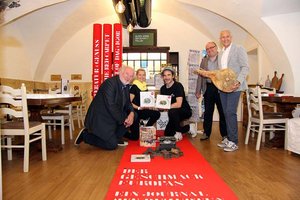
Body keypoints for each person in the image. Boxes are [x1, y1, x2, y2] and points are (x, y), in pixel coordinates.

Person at [74, 65, 136, 150]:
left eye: (131, 76)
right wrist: (124, 119)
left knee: (134, 115)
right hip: (101, 118)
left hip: (113, 116)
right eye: (127, 74)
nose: (129, 77)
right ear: (120, 73)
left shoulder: (126, 86)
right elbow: (111, 106)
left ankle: (116, 137)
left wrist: (131, 114)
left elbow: (128, 103)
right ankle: (86, 135)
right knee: (111, 145)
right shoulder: (110, 83)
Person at [218, 30, 249, 152]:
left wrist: (238, 82)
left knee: (230, 112)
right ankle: (228, 139)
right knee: (225, 113)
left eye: (227, 36)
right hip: (224, 88)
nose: (225, 39)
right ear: (220, 39)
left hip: (235, 87)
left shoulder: (238, 48)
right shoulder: (221, 53)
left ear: (231, 37)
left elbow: (245, 67)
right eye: (222, 37)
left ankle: (234, 141)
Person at [195, 42, 228, 142]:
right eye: (207, 49)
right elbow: (200, 76)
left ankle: (225, 134)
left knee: (222, 112)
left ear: (216, 48)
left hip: (221, 88)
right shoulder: (204, 60)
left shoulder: (223, 58)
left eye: (211, 48)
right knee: (208, 112)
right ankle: (206, 133)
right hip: (208, 88)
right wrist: (198, 90)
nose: (210, 50)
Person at [160, 67, 195, 141]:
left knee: (172, 111)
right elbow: (163, 104)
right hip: (173, 113)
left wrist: (166, 107)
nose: (166, 77)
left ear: (173, 76)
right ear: (162, 77)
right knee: (168, 133)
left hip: (184, 111)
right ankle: (189, 127)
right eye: (164, 75)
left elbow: (178, 104)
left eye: (169, 75)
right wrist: (158, 106)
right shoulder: (162, 89)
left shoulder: (178, 86)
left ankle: (178, 133)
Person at [126, 68, 160, 140]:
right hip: (134, 111)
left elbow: (146, 101)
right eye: (140, 75)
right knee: (135, 137)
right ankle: (123, 133)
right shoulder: (134, 87)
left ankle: (145, 129)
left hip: (142, 110)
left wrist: (150, 105)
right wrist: (138, 107)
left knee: (156, 113)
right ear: (136, 76)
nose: (142, 77)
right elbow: (129, 102)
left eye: (144, 75)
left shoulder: (144, 86)